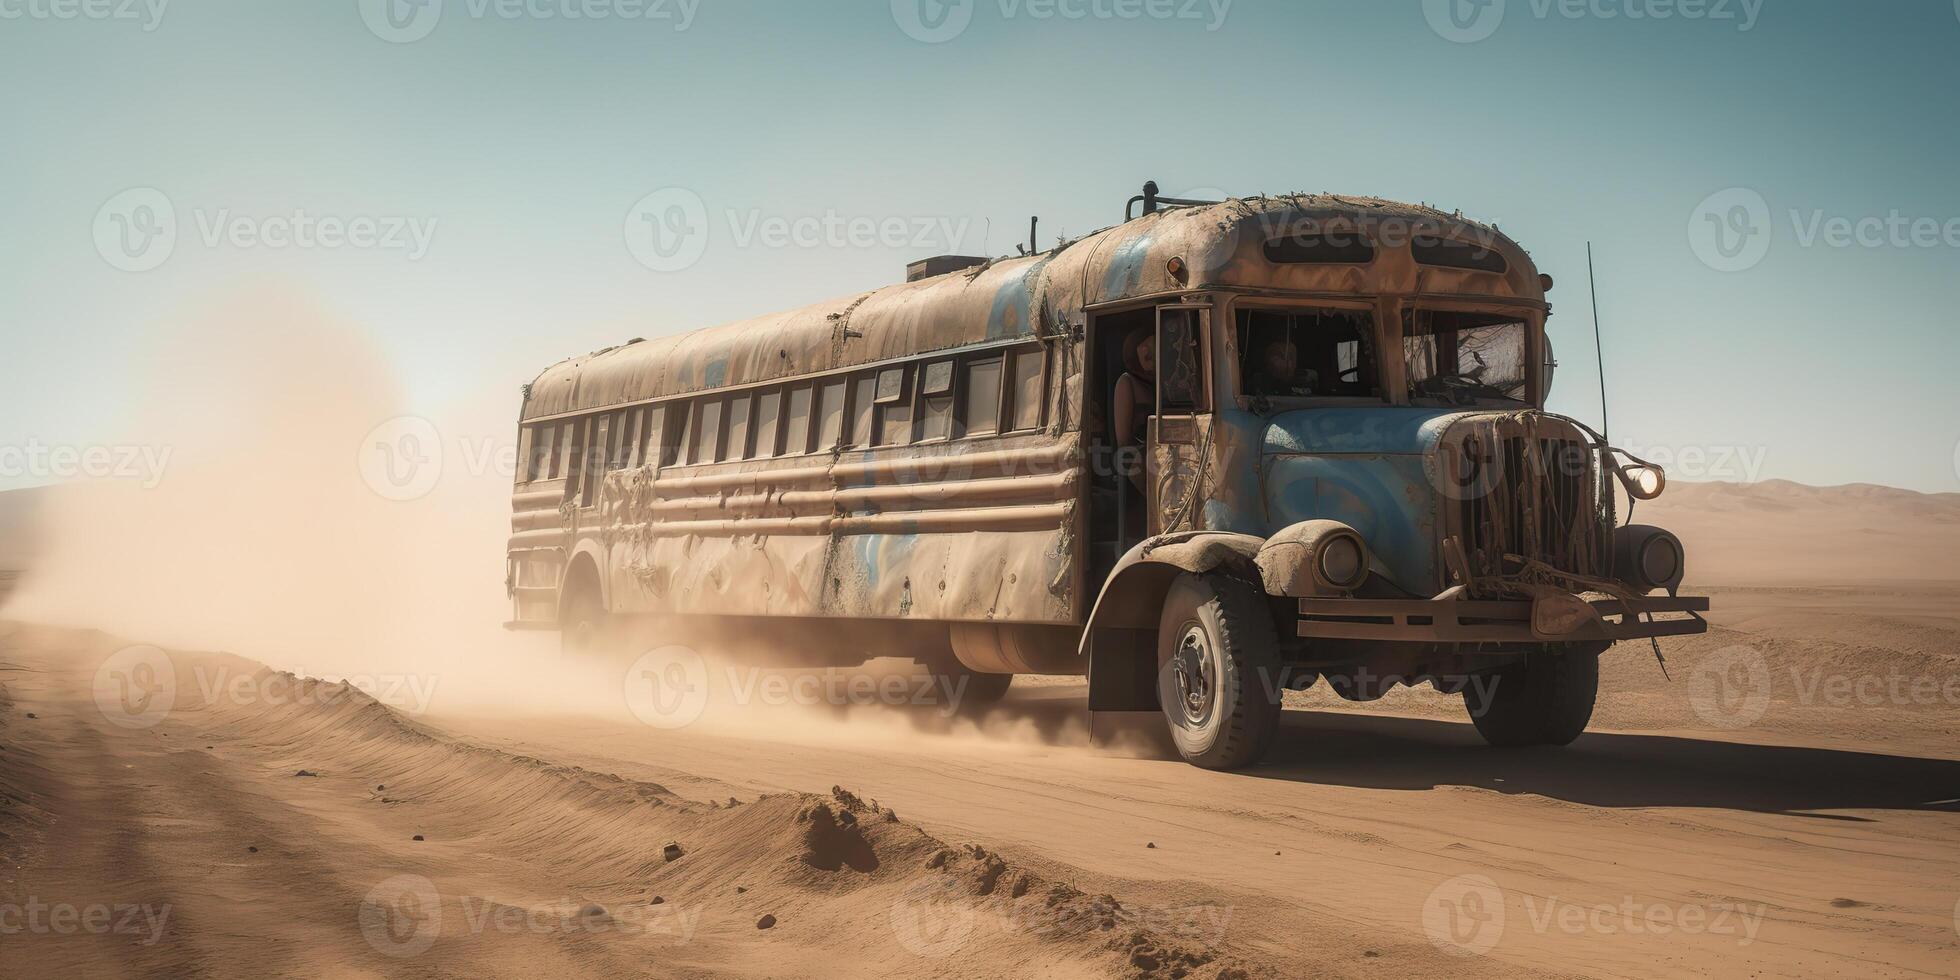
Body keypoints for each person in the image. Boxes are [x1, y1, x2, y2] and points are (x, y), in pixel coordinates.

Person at [1246, 335, 1316, 397]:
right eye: (1280, 357)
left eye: (1291, 357)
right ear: (1268, 363)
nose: (1289, 364)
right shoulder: (1261, 384)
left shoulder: (1303, 383)